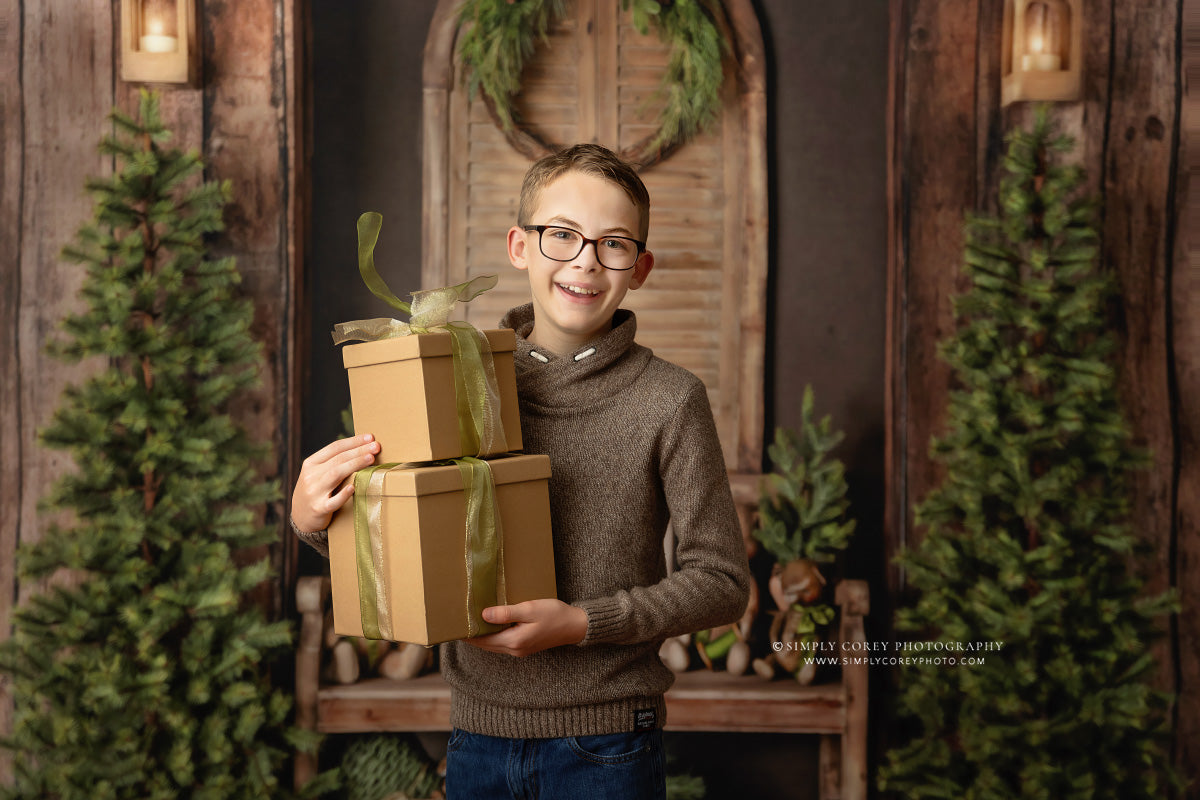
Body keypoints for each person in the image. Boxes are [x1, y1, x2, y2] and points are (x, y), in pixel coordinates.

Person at [291, 143, 751, 799]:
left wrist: (583, 622)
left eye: (613, 243)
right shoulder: (449, 377)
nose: (586, 260)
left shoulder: (670, 399)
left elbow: (723, 582)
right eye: (561, 235)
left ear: (640, 267)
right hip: (477, 738)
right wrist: (312, 520)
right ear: (519, 246)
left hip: (611, 744)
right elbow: (401, 521)